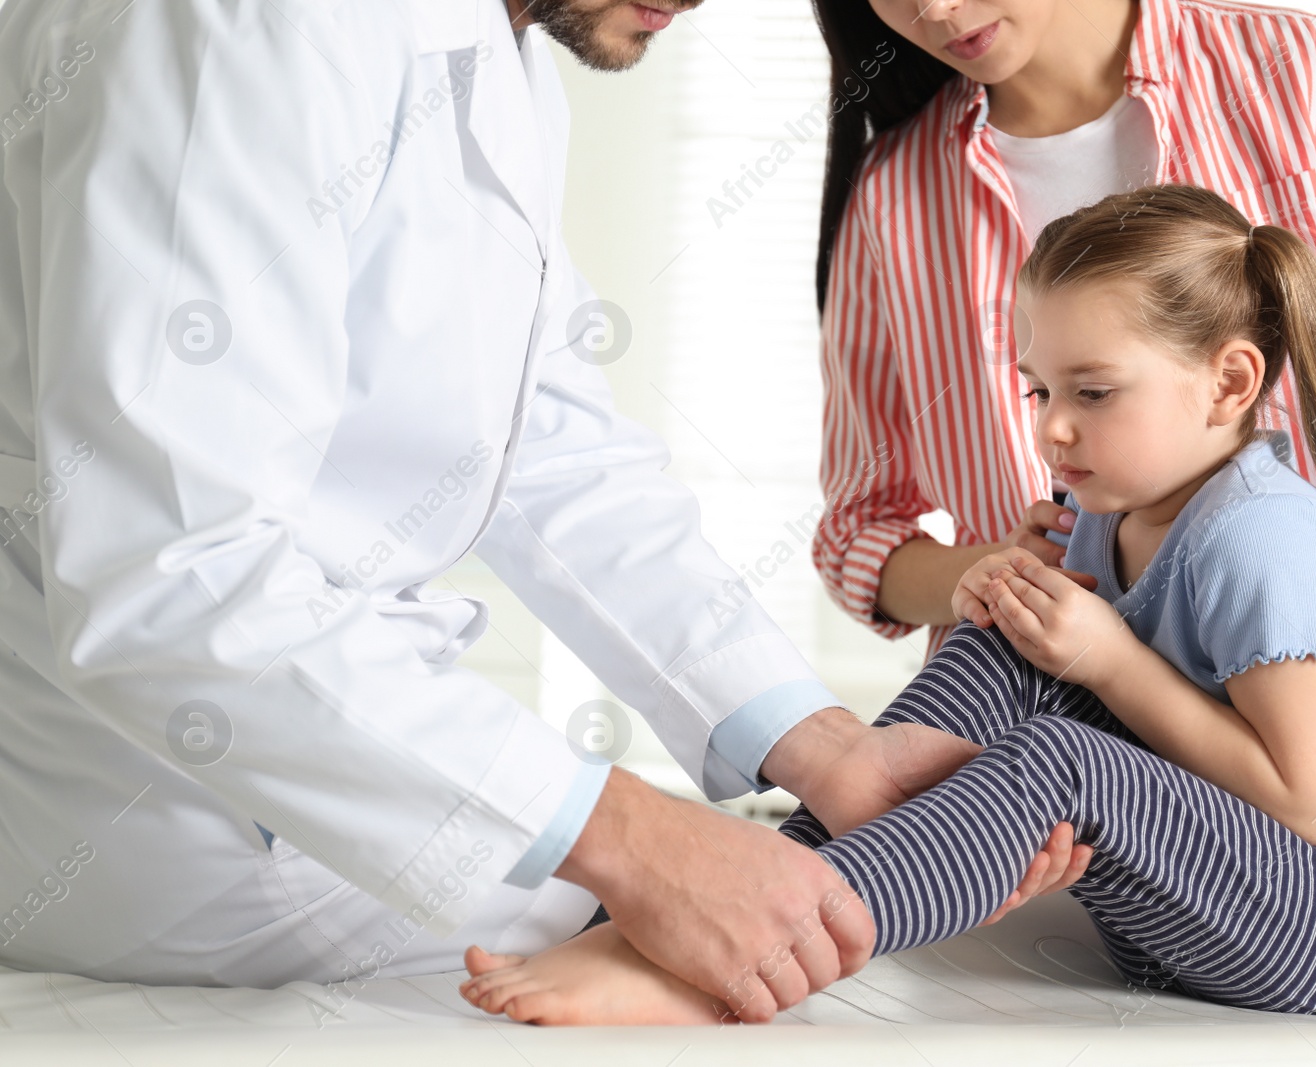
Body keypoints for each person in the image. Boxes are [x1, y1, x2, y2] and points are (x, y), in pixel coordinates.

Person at [0, 0, 1085, 1023]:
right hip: (166, 823)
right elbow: (174, 576)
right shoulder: (234, 30)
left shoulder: (505, 55)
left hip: (329, 767)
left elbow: (555, 455)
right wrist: (632, 841)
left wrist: (824, 744)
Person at [458, 184, 1316, 1024]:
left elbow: (1310, 803)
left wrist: (1109, 658)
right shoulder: (1108, 510)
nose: (1054, 431)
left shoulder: (1262, 537)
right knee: (1003, 642)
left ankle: (761, 948)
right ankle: (756, 894)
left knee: (1067, 745)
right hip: (1215, 899)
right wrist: (1026, 610)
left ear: (1228, 382)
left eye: (1094, 391)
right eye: (1039, 392)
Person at [808, 0, 1316, 827]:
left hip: (1300, 757)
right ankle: (782, 890)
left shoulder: (1292, 73)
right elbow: (858, 528)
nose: (934, 9)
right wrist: (1004, 576)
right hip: (1038, 775)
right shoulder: (896, 194)